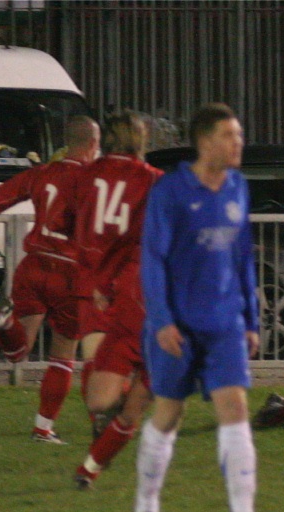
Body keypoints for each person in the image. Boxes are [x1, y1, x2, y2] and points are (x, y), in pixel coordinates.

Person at [134, 103, 282, 512]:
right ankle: (145, 511)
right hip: (177, 326)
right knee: (168, 413)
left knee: (235, 410)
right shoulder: (170, 192)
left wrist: (251, 319)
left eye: (239, 135)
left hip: (224, 325)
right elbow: (153, 260)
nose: (238, 143)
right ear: (204, 142)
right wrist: (161, 319)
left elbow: (241, 257)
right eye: (229, 135)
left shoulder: (237, 186)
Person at [0, 115, 100, 443]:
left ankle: (5, 323)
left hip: (33, 266)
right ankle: (42, 428)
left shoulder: (43, 173)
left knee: (18, 352)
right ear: (93, 145)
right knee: (64, 354)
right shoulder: (93, 181)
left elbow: (6, 193)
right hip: (69, 273)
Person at [69, 110, 164, 488]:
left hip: (91, 278)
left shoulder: (85, 176)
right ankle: (119, 409)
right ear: (139, 140)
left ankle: (104, 422)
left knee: (95, 361)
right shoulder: (152, 179)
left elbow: (68, 220)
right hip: (131, 281)